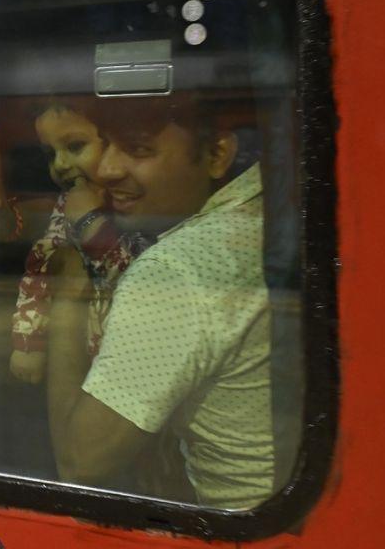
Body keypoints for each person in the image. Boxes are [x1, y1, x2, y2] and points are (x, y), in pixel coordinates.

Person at [43, 94, 273, 509]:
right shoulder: (263, 213)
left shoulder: (180, 269)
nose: (107, 169)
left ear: (217, 154)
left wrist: (68, 293)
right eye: (107, 144)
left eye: (137, 149)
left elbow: (81, 462)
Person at [0, 105, 151, 385]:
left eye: (75, 146)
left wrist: (90, 224)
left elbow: (142, 278)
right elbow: (41, 273)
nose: (60, 164)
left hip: (139, 361)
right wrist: (29, 342)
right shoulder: (67, 206)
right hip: (87, 361)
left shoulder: (136, 202)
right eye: (51, 154)